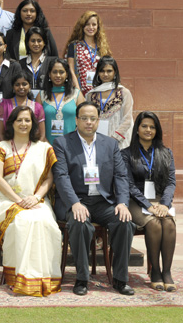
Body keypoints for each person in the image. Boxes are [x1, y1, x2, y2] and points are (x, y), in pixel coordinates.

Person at [52, 101, 136, 296]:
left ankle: (120, 279)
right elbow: (61, 177)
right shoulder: (62, 143)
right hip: (74, 200)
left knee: (125, 222)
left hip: (102, 201)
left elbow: (121, 176)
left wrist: (122, 203)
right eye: (84, 118)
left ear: (98, 121)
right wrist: (74, 203)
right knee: (80, 224)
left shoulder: (110, 144)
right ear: (76, 120)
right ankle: (82, 278)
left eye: (93, 118)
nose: (88, 122)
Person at [0, 106, 61, 297]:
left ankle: (44, 277)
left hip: (36, 199)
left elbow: (49, 179)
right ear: (11, 123)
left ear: (33, 124)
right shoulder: (1, 147)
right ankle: (19, 276)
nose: (23, 124)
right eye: (19, 120)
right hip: (6, 200)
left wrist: (36, 197)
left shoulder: (44, 148)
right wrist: (19, 200)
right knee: (23, 221)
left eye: (27, 120)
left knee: (46, 223)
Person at [122, 111, 177, 292]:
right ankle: (155, 271)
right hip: (136, 201)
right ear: (137, 129)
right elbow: (128, 185)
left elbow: (170, 182)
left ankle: (167, 272)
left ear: (157, 130)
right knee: (154, 224)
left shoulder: (165, 152)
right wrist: (148, 205)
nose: (148, 130)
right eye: (144, 126)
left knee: (168, 223)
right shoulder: (126, 154)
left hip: (160, 200)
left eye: (152, 127)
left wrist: (164, 204)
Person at [86, 56, 133, 149]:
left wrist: (114, 139)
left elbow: (127, 119)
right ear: (97, 73)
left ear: (115, 72)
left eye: (109, 71)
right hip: (96, 142)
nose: (105, 74)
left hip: (119, 143)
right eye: (102, 71)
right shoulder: (91, 95)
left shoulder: (124, 92)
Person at [36, 58, 85, 144]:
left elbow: (83, 120)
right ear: (49, 75)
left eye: (61, 72)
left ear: (66, 75)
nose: (58, 75)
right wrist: (47, 146)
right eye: (54, 72)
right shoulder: (41, 95)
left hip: (72, 146)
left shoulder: (76, 94)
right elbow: (36, 123)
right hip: (46, 146)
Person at [64, 11, 112, 96]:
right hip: (79, 90)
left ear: (98, 27)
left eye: (94, 24)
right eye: (87, 24)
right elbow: (70, 69)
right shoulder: (74, 46)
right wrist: (78, 92)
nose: (91, 27)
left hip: (100, 91)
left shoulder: (102, 47)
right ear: (82, 26)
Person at [0, 72, 45, 141]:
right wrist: (6, 150)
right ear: (13, 87)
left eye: (24, 84)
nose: (21, 87)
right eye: (17, 85)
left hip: (32, 148)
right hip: (9, 148)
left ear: (30, 86)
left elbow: (42, 134)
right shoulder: (4, 105)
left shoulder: (37, 107)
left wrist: (35, 150)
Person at [19, 26, 57, 95]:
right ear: (27, 42)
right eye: (33, 41)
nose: (36, 44)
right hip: (26, 102)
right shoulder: (20, 64)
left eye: (39, 41)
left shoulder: (53, 62)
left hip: (47, 101)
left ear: (44, 42)